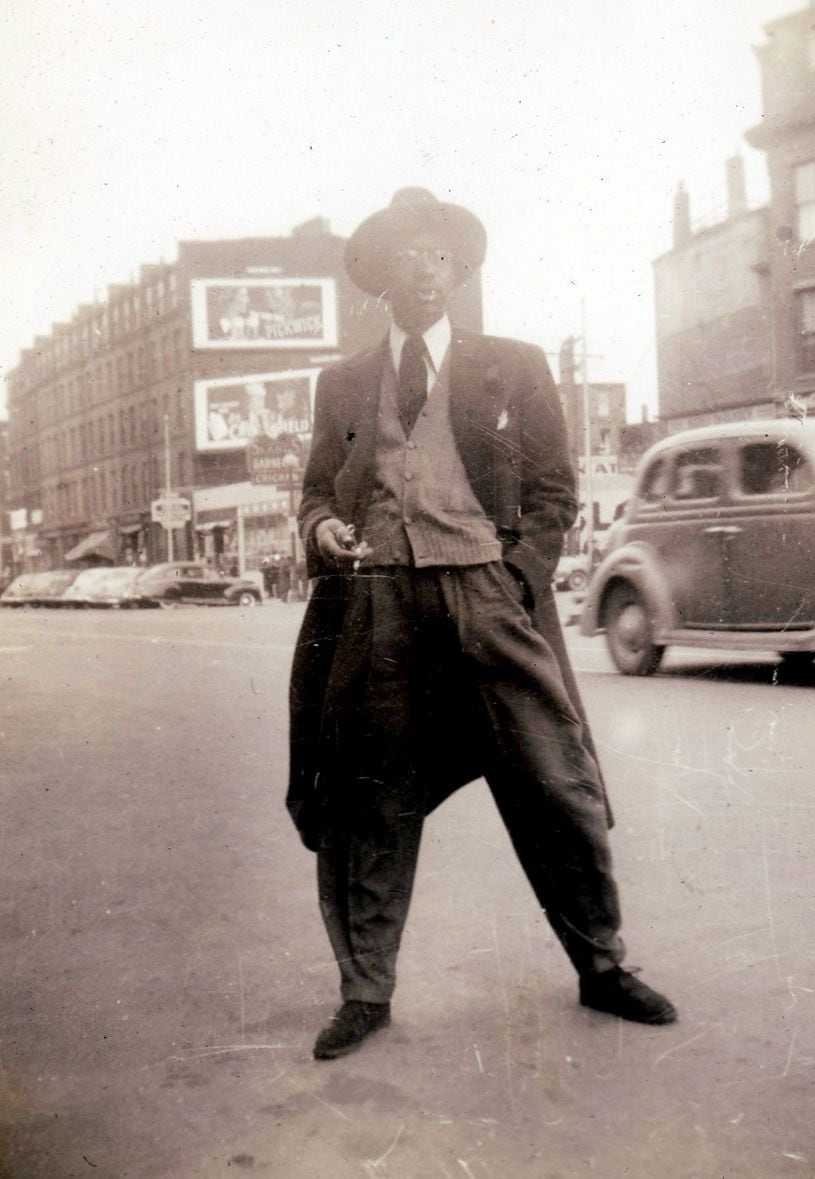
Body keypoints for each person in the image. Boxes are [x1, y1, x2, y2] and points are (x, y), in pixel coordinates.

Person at [287, 188, 676, 1062]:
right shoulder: (342, 383)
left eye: (435, 256)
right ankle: (365, 989)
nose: (420, 272)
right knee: (368, 796)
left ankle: (603, 965)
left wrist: (516, 577)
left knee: (554, 779)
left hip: (488, 600)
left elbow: (554, 491)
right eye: (402, 257)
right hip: (378, 600)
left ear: (457, 270)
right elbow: (316, 487)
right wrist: (322, 527)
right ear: (379, 278)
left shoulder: (515, 364)